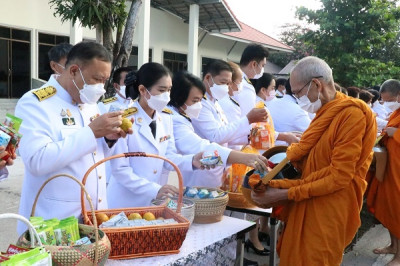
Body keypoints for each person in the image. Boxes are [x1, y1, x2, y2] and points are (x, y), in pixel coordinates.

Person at [251, 56, 377, 265]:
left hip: (328, 208)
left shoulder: (352, 114)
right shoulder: (325, 113)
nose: (297, 98)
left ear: (316, 84)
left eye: (298, 92)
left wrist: (285, 193)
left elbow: (340, 176)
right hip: (308, 199)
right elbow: (312, 161)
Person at [15, 41, 130, 234]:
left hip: (94, 218)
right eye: (96, 79)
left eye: (105, 81)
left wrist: (108, 138)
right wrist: (92, 132)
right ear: (74, 71)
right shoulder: (35, 103)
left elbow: (91, 153)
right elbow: (36, 161)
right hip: (54, 224)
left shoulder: (89, 101)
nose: (101, 88)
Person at [107, 63, 205, 208]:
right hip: (125, 203)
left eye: (169, 90)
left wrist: (192, 161)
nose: (166, 96)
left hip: (153, 203)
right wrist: (154, 189)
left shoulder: (166, 117)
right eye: (161, 90)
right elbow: (120, 170)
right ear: (142, 90)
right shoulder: (124, 119)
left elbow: (168, 158)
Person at [168, 71, 268, 187]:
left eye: (200, 100)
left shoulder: (188, 113)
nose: (199, 105)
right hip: (196, 176)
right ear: (180, 97)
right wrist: (242, 158)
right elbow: (205, 144)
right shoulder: (175, 119)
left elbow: (223, 138)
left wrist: (245, 142)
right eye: (195, 101)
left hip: (211, 167)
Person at [191, 59, 267, 147]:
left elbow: (226, 134)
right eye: (223, 82)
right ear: (208, 78)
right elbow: (215, 136)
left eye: (228, 84)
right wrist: (248, 119)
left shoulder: (214, 100)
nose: (226, 87)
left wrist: (250, 137)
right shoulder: (199, 103)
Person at [367, 79, 400, 266]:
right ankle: (394, 246)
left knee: (398, 210)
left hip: (398, 172)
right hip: (389, 167)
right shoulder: (396, 111)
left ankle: (399, 257)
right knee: (389, 208)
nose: (386, 103)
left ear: (398, 96)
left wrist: (396, 133)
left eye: (388, 100)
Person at [252, 73, 301, 145]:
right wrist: (285, 136)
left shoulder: (260, 104)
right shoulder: (258, 107)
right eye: (272, 88)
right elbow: (256, 134)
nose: (274, 91)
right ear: (263, 90)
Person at [236, 44, 269, 116]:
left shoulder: (232, 79)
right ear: (254, 64)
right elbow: (248, 119)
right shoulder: (246, 87)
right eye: (262, 65)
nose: (263, 69)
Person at [218, 61, 244, 150]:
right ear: (231, 82)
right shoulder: (227, 103)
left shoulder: (225, 99)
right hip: (230, 150)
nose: (241, 85)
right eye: (240, 81)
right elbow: (235, 132)